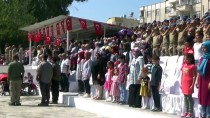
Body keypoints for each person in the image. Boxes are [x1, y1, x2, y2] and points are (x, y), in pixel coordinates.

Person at [197, 40, 210, 118]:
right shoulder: (202, 58)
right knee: (203, 98)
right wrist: (196, 81)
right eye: (202, 48)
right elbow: (199, 71)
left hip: (208, 81)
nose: (203, 49)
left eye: (204, 48)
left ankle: (208, 115)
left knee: (208, 98)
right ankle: (203, 114)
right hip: (202, 80)